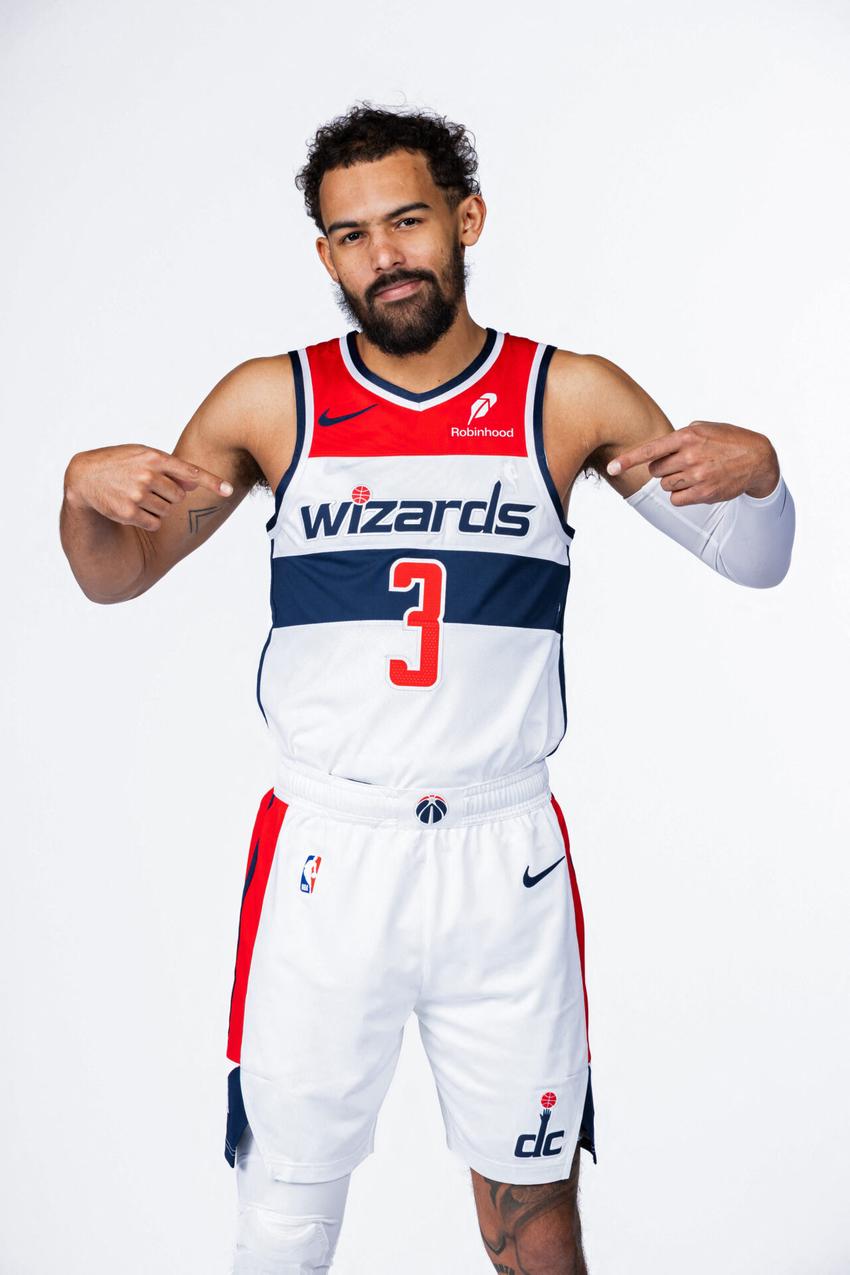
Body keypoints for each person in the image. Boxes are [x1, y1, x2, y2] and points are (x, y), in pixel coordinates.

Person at [59, 103, 795, 1275]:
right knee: (282, 1219)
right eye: (351, 235)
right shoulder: (271, 403)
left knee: (534, 1219)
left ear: (467, 220)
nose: (383, 255)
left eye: (405, 222)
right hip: (328, 850)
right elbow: (118, 575)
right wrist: (78, 495)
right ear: (325, 254)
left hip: (503, 856)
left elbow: (751, 561)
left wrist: (763, 475)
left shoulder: (566, 395)